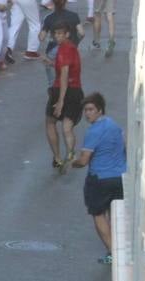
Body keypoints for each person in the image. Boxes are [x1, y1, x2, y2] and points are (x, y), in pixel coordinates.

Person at [71, 92, 125, 264]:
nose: (87, 114)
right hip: (119, 177)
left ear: (100, 110)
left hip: (99, 179)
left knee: (98, 214)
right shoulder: (114, 126)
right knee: (116, 215)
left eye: (90, 109)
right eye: (85, 110)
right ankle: (121, 248)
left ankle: (112, 253)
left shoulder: (93, 132)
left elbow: (84, 160)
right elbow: (125, 145)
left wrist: (75, 163)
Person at [48, 25, 83, 172]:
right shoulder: (72, 48)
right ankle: (70, 153)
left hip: (61, 90)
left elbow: (64, 75)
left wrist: (61, 101)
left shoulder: (64, 50)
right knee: (67, 127)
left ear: (67, 34)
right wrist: (50, 63)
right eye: (56, 33)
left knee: (50, 122)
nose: (57, 37)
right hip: (76, 90)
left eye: (60, 34)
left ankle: (57, 158)